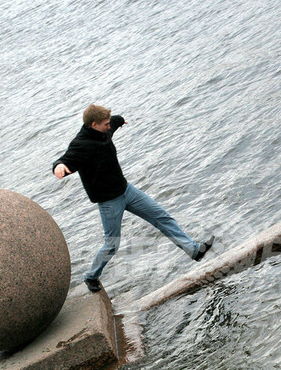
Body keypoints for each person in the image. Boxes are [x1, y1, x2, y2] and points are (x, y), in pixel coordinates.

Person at [52, 104, 214, 293]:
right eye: (106, 124)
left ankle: (194, 250)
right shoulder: (81, 144)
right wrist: (59, 166)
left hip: (126, 190)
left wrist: (120, 120)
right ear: (93, 124)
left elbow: (113, 121)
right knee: (112, 244)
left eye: (109, 124)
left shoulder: (104, 130)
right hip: (109, 201)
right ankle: (91, 276)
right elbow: (67, 158)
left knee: (162, 217)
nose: (109, 127)